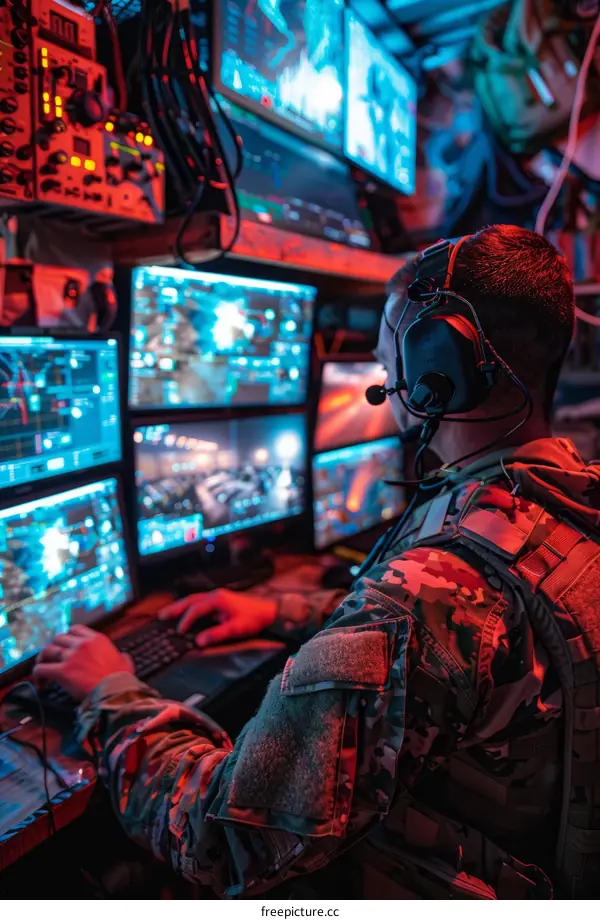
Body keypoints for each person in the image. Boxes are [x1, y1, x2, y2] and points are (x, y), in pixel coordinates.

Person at [35, 225, 600, 899]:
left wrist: (110, 694)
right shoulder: (561, 506)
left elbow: (228, 841)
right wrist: (280, 611)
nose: (385, 377)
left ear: (437, 366)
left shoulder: (432, 594)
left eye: (391, 355)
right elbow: (455, 641)